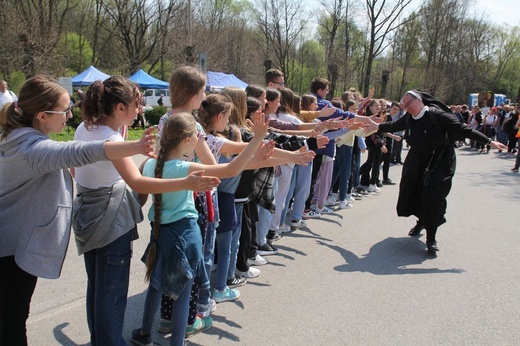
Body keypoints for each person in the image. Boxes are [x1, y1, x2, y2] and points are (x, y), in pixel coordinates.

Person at [0, 75, 161, 345]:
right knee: (13, 320)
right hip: (14, 248)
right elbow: (77, 153)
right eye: (64, 110)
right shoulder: (33, 149)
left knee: (14, 317)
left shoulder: (12, 136)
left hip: (14, 240)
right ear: (41, 115)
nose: (70, 114)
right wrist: (135, 146)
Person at [72, 76, 220, 346]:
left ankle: (100, 340)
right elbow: (138, 182)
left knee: (96, 288)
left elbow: (76, 170)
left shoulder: (85, 128)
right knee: (112, 294)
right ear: (120, 108)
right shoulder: (111, 138)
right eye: (136, 105)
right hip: (110, 221)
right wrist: (186, 182)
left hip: (86, 214)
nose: (139, 110)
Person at [130, 111, 269, 346]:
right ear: (186, 139)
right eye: (198, 136)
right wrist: (256, 140)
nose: (199, 140)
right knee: (184, 290)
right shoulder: (186, 167)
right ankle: (177, 342)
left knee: (156, 282)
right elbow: (230, 171)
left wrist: (257, 154)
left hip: (160, 232)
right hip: (185, 233)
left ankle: (144, 333)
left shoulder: (151, 163)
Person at [364, 90, 507, 254]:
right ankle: (421, 221)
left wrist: (489, 141)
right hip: (417, 160)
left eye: (407, 104)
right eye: (403, 105)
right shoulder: (410, 117)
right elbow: (395, 126)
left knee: (433, 196)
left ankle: (431, 238)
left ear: (418, 101)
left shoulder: (437, 116)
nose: (406, 108)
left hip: (440, 161)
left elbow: (464, 130)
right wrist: (377, 126)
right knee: (413, 192)